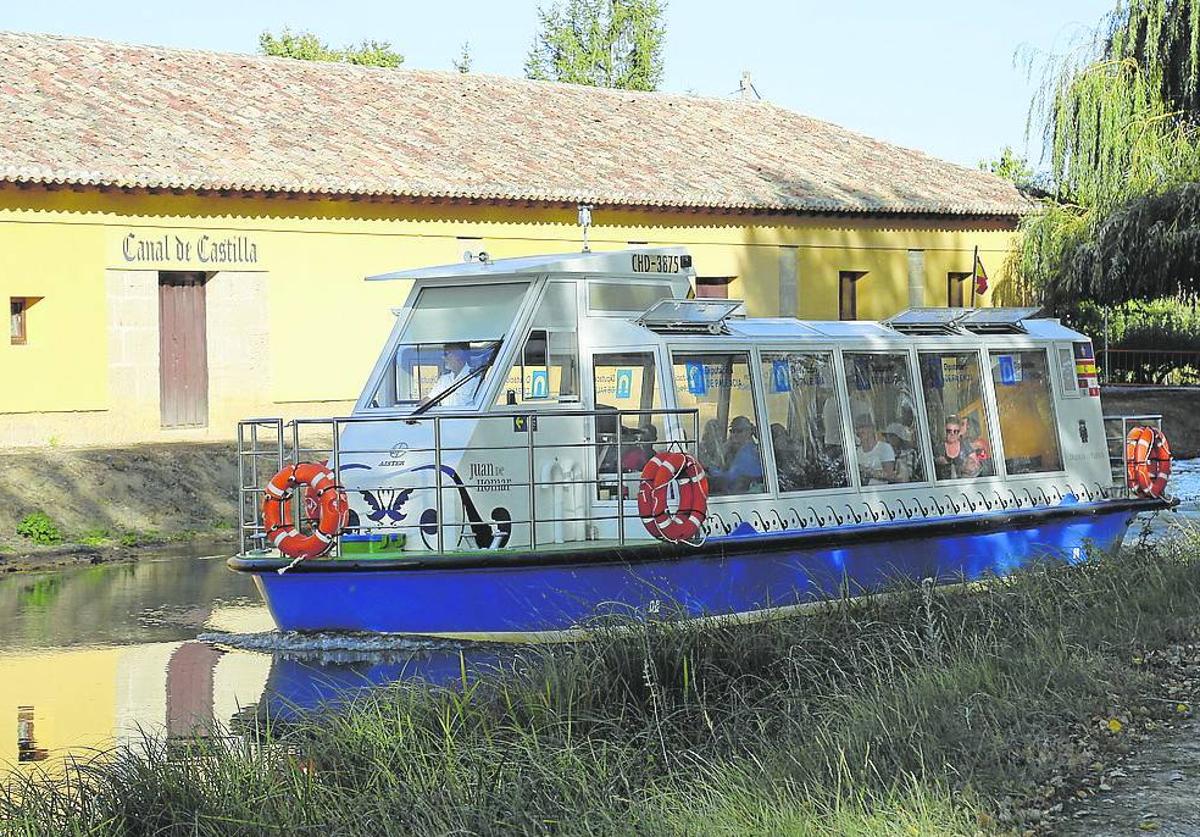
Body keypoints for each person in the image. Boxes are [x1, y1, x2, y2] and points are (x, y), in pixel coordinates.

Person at [707, 415, 764, 494]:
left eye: (739, 431)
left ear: (748, 432)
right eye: (732, 431)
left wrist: (710, 468)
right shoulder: (740, 450)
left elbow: (728, 478)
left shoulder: (748, 454)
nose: (734, 435)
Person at [933, 415, 982, 480]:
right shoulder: (939, 448)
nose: (952, 434)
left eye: (955, 431)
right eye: (949, 431)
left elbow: (977, 467)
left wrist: (968, 468)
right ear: (944, 431)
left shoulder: (965, 446)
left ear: (959, 432)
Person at [430, 343, 478, 407]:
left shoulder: (476, 378)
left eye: (446, 354)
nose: (443, 357)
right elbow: (429, 399)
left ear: (458, 355)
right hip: (443, 416)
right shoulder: (443, 380)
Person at [854, 416, 896, 485]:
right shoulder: (856, 452)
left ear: (872, 428)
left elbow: (889, 475)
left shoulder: (884, 448)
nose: (860, 431)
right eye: (857, 428)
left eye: (863, 427)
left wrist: (867, 472)